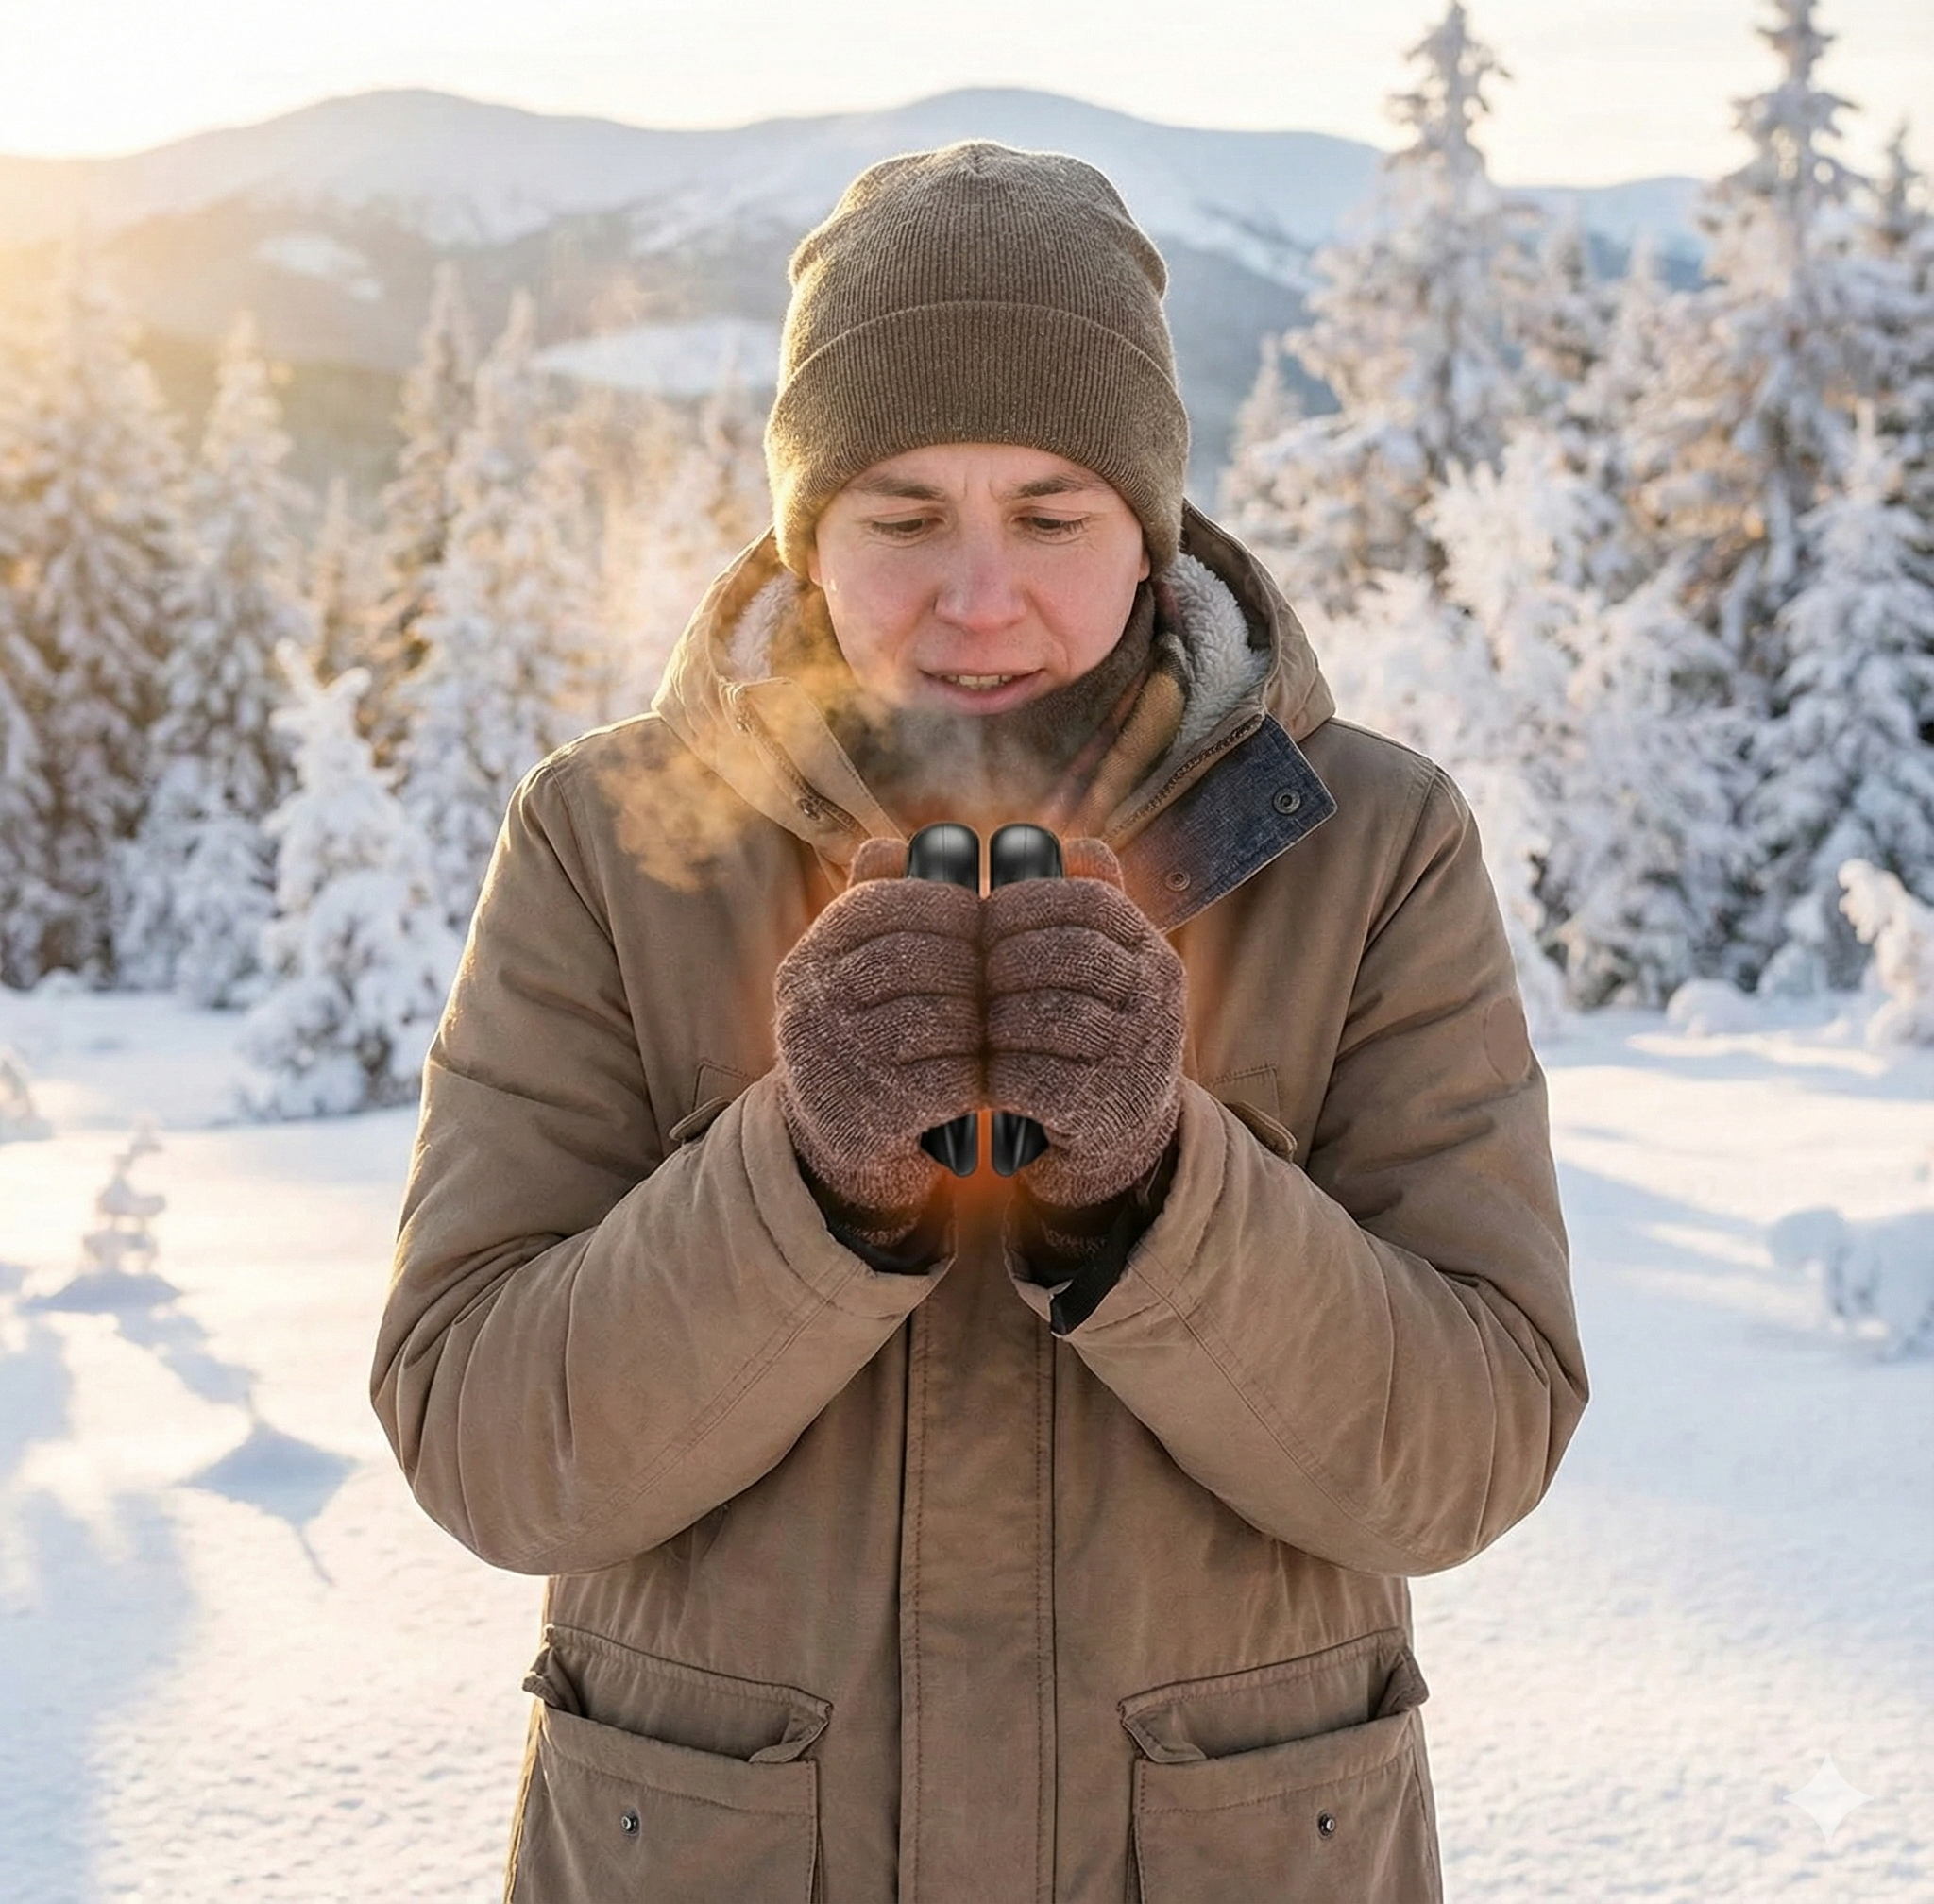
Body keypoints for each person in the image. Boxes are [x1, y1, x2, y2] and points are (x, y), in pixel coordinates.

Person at [372, 140, 1588, 1903]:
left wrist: (1165, 1197)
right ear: (807, 529)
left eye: (1049, 514)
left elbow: (1467, 1452)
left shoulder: (1372, 847)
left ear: (1151, 528)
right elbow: (485, 1445)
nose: (976, 596)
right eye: (901, 517)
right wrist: (804, 1181)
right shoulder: (606, 841)